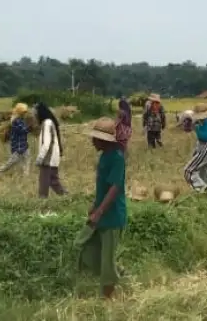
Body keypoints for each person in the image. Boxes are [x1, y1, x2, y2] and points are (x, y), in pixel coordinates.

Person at [78, 118, 127, 299]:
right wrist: (95, 205)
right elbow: (103, 187)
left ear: (104, 140)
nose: (92, 141)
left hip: (112, 216)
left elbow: (114, 188)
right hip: (102, 212)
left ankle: (107, 296)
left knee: (106, 259)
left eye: (95, 138)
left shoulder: (117, 158)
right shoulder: (105, 156)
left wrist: (99, 212)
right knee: (88, 248)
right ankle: (118, 273)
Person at [183, 103, 207, 197]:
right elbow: (187, 129)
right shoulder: (203, 123)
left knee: (188, 171)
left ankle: (202, 188)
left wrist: (197, 129)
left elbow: (205, 137)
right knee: (204, 175)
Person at [34, 102, 67, 198]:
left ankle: (42, 201)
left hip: (48, 159)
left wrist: (40, 158)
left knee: (43, 184)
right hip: (52, 158)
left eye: (35, 113)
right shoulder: (49, 122)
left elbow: (46, 143)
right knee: (54, 182)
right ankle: (67, 197)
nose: (34, 115)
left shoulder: (47, 123)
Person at [0, 103, 30, 176]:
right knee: (12, 161)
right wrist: (30, 127)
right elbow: (23, 130)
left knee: (27, 159)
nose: (25, 113)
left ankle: (25, 175)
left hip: (23, 144)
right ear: (20, 112)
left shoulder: (21, 120)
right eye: (24, 112)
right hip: (18, 146)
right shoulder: (16, 121)